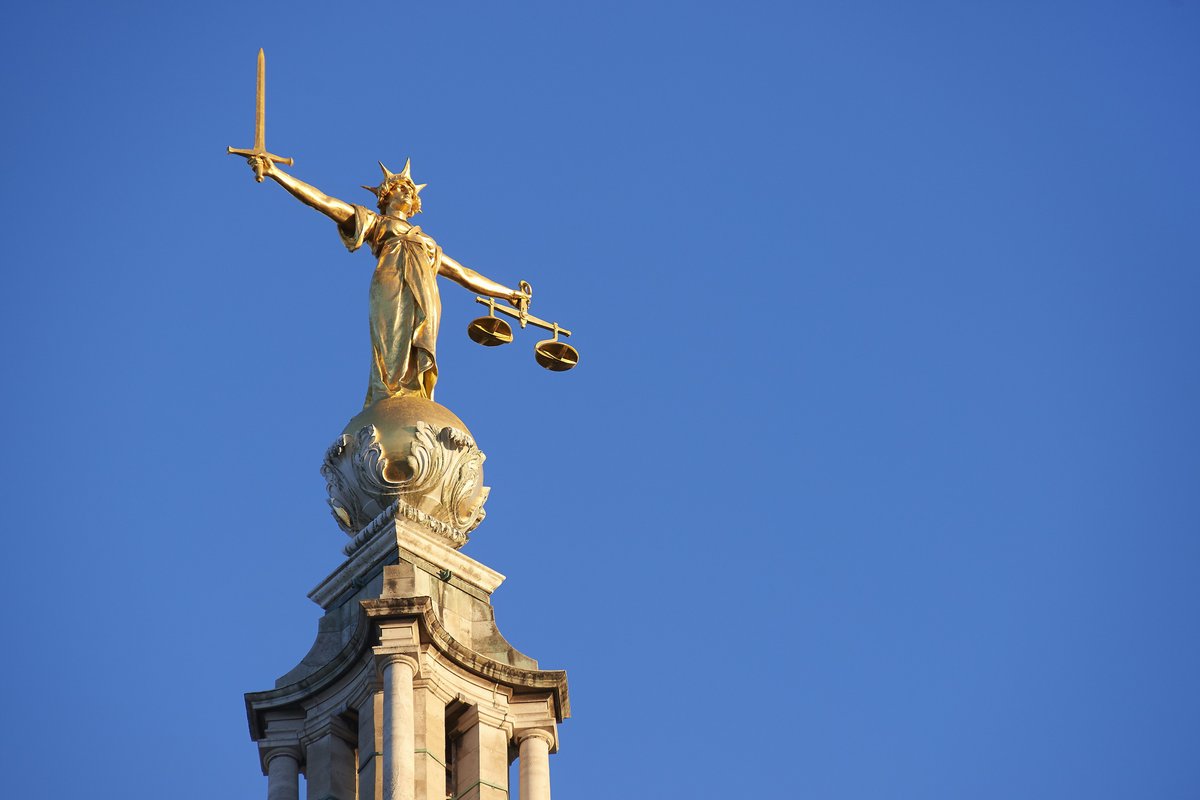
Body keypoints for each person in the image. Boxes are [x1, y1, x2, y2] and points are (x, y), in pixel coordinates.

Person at [244, 156, 528, 406]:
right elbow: (324, 202)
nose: (406, 192)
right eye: (400, 188)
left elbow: (463, 273)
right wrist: (276, 173)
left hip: (426, 291)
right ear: (385, 195)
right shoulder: (376, 223)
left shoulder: (427, 242)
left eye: (410, 190)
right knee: (392, 339)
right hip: (391, 284)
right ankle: (390, 395)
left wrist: (509, 294)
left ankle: (415, 394)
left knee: (421, 336)